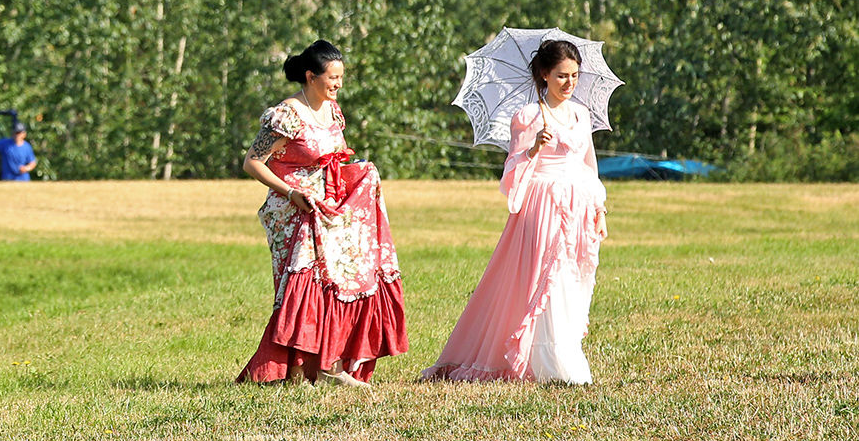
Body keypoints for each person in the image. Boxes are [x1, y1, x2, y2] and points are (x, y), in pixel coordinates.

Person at [422, 39, 609, 385]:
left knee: (570, 279)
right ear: (544, 75)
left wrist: (599, 208)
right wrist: (533, 148)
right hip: (542, 204)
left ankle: (564, 352)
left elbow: (589, 165)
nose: (569, 83)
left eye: (574, 76)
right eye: (561, 76)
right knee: (545, 278)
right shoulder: (527, 117)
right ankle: (549, 362)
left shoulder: (581, 115)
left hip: (578, 206)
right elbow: (511, 172)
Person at [237, 40, 408, 388]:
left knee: (338, 282)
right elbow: (252, 162)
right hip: (293, 211)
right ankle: (297, 372)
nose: (338, 84)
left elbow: (335, 157)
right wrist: (293, 192)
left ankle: (331, 365)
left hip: (330, 210)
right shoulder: (285, 114)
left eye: (341, 77)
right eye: (332, 77)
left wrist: (358, 173)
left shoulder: (333, 110)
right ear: (310, 76)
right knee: (304, 286)